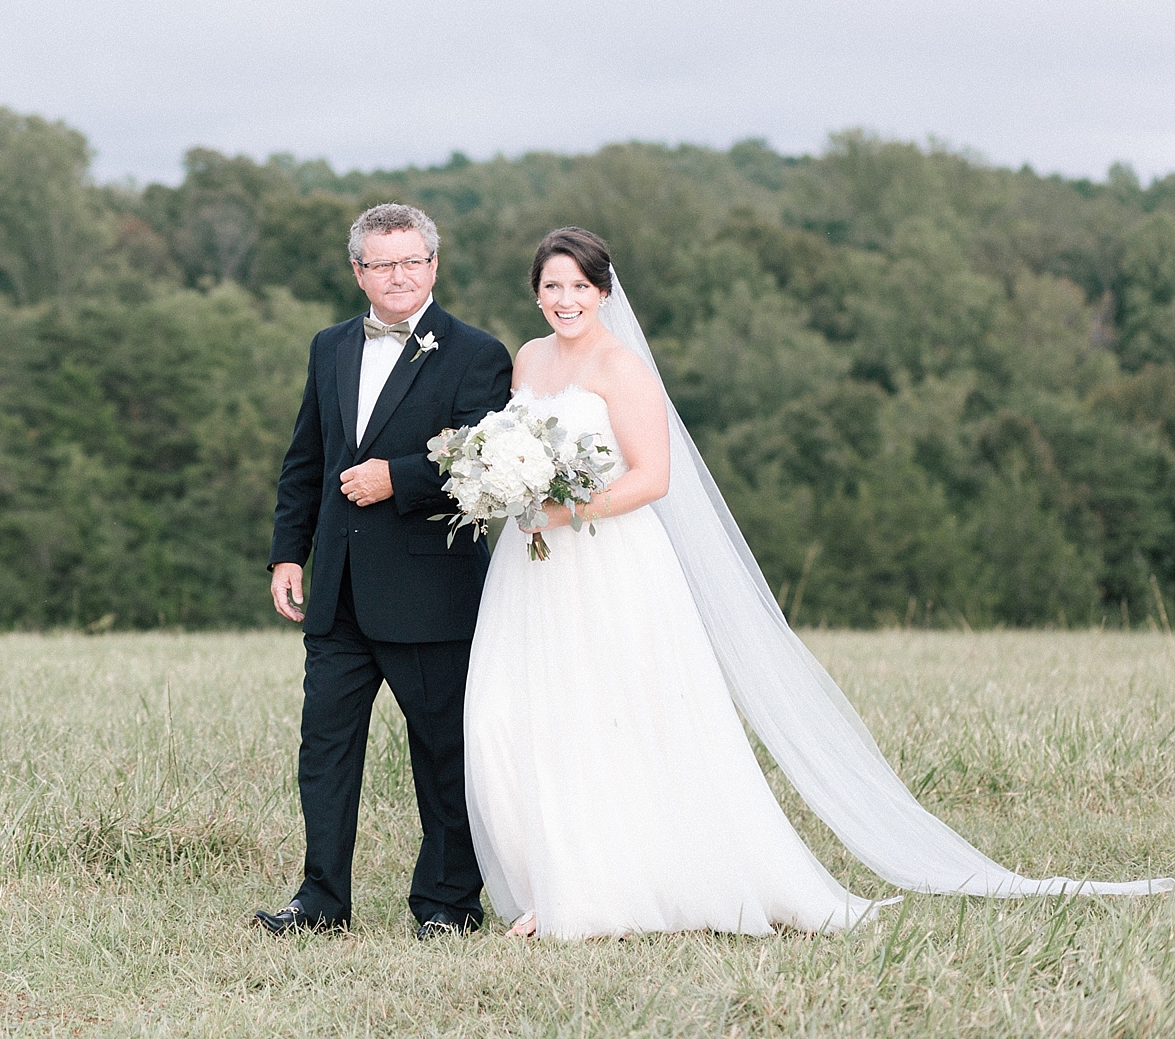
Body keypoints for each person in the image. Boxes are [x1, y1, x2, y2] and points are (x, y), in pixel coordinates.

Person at [464, 226, 1170, 941]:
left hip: (607, 559)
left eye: (579, 285)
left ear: (604, 292)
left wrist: (564, 508)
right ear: (535, 292)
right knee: (511, 715)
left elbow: (653, 477)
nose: (564, 299)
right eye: (551, 285)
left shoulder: (623, 368)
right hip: (531, 566)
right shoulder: (528, 358)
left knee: (606, 716)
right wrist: (506, 487)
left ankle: (595, 892)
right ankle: (545, 877)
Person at [254, 203, 512, 940]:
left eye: (411, 261)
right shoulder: (329, 345)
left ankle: (446, 904)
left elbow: (482, 460)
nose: (397, 276)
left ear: (433, 265)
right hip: (336, 591)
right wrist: (285, 551)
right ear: (358, 271)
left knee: (442, 755)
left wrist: (398, 476)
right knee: (325, 751)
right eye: (381, 263)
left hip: (432, 591)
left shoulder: (477, 352)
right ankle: (320, 899)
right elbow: (306, 457)